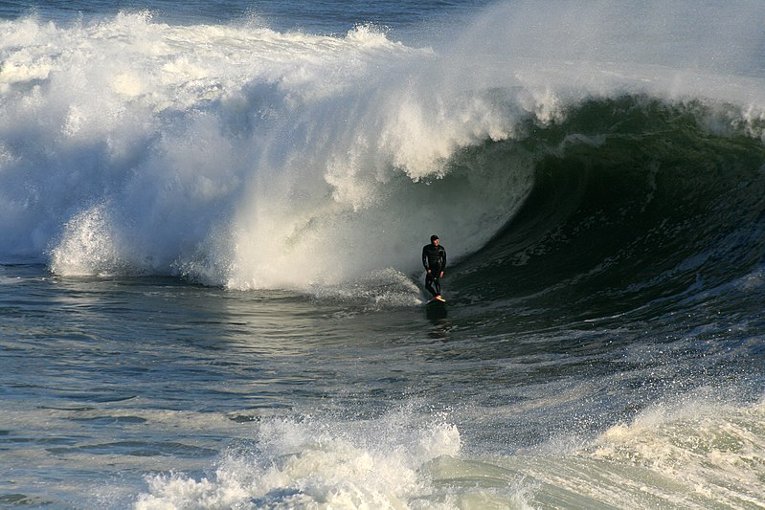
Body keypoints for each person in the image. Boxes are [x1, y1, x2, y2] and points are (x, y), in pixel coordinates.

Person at [422, 234, 447, 301]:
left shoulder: (441, 249)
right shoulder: (426, 248)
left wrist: (442, 270)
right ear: (431, 241)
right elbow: (424, 260)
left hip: (438, 266)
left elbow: (444, 260)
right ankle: (436, 296)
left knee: (436, 279)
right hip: (431, 268)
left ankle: (438, 295)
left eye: (437, 240)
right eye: (434, 240)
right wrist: (427, 269)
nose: (436, 242)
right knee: (427, 285)